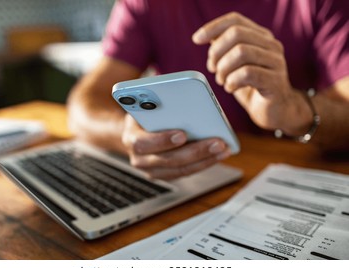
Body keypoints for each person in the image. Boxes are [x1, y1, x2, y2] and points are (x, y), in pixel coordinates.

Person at [67, 0, 349, 180]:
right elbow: (83, 104)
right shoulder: (145, 4)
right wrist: (128, 136)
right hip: (190, 182)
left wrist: (294, 110)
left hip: (298, 179)